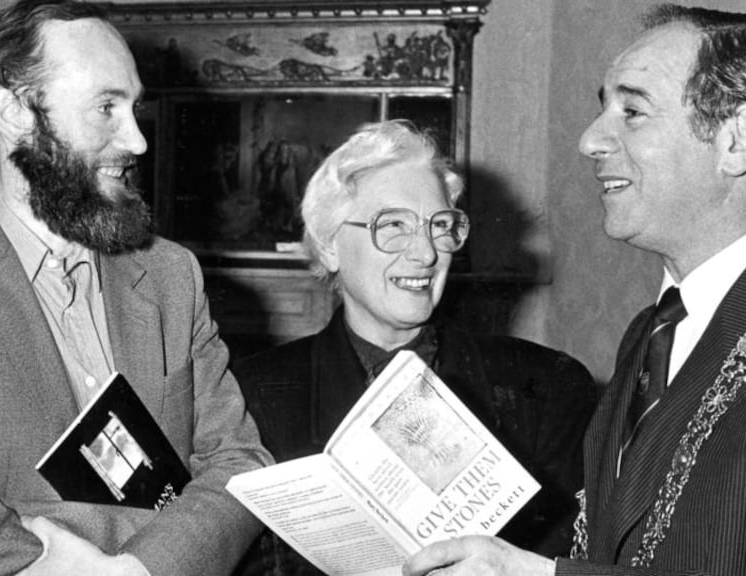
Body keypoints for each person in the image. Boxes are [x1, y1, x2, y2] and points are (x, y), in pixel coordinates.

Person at [404, 5, 746, 576]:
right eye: (602, 108)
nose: (590, 140)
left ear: (739, 141)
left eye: (633, 111)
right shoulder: (653, 329)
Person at [0, 1, 273, 575]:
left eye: (135, 108)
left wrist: (140, 567)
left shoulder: (170, 275)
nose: (137, 140)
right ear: (15, 112)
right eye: (106, 108)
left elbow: (239, 463)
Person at [232, 120, 597, 575]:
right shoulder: (252, 397)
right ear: (328, 246)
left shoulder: (547, 386)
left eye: (439, 225)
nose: (425, 253)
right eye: (394, 225)